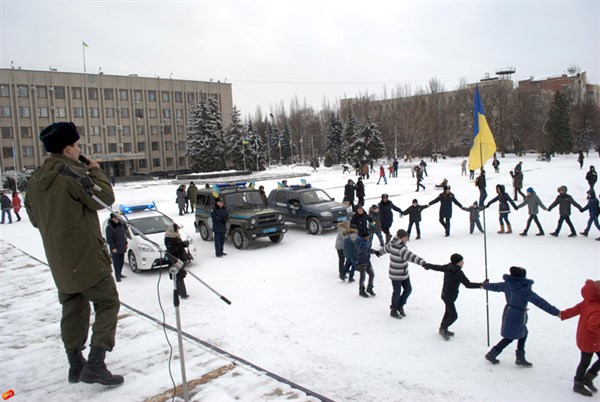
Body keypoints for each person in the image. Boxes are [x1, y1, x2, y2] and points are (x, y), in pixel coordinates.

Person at [24, 122, 123, 385]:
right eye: (77, 145)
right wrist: (96, 171)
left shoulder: (36, 179)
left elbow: (34, 219)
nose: (79, 149)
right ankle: (96, 363)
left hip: (59, 260)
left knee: (73, 307)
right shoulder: (72, 174)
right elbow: (104, 197)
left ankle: (75, 364)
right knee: (108, 303)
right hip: (87, 257)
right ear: (68, 148)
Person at [484, 267, 560, 367]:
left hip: (508, 311)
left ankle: (516, 357)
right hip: (517, 315)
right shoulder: (524, 289)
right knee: (510, 337)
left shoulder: (507, 284)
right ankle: (496, 354)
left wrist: (485, 285)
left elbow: (495, 287)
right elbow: (540, 302)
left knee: (521, 333)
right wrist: (556, 312)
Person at [423, 254, 483, 340]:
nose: (463, 263)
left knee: (448, 313)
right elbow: (468, 284)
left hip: (445, 294)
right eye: (461, 261)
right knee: (453, 316)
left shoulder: (448, 267)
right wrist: (481, 285)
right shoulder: (458, 272)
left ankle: (443, 328)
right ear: (457, 262)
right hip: (449, 297)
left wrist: (428, 265)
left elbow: (437, 267)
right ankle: (443, 328)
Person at [560, 279, 600, 397]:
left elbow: (575, 309)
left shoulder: (588, 301)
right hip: (590, 341)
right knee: (585, 362)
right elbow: (593, 326)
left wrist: (563, 314)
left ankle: (588, 378)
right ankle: (578, 383)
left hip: (589, 338)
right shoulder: (597, 308)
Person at [385, 229, 426, 318]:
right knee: (397, 292)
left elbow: (385, 249)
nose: (407, 239)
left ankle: (400, 306)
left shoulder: (392, 244)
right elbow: (412, 257)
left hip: (403, 273)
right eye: (406, 237)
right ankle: (394, 310)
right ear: (401, 238)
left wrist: (378, 252)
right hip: (396, 274)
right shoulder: (401, 248)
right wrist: (424, 263)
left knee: (408, 289)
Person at [164, 223, 190, 299]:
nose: (178, 230)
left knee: (179, 275)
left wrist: (184, 244)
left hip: (180, 258)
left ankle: (179, 291)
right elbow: (171, 250)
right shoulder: (168, 238)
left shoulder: (176, 235)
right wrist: (181, 246)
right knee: (179, 276)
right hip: (174, 260)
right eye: (177, 229)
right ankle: (182, 293)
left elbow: (179, 245)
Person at [354, 231, 382, 298]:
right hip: (362, 261)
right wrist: (374, 251)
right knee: (363, 277)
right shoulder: (360, 242)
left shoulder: (365, 241)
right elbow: (365, 249)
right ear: (365, 237)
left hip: (367, 260)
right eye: (368, 236)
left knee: (372, 274)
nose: (369, 237)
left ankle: (369, 288)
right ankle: (361, 290)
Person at [105, 214, 128, 282]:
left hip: (122, 247)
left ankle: (120, 273)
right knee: (116, 263)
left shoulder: (121, 225)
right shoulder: (109, 227)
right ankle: (117, 276)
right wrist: (113, 247)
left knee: (121, 262)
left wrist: (126, 243)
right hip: (115, 248)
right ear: (112, 219)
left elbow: (124, 236)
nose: (117, 219)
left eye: (118, 218)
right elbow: (109, 239)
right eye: (115, 218)